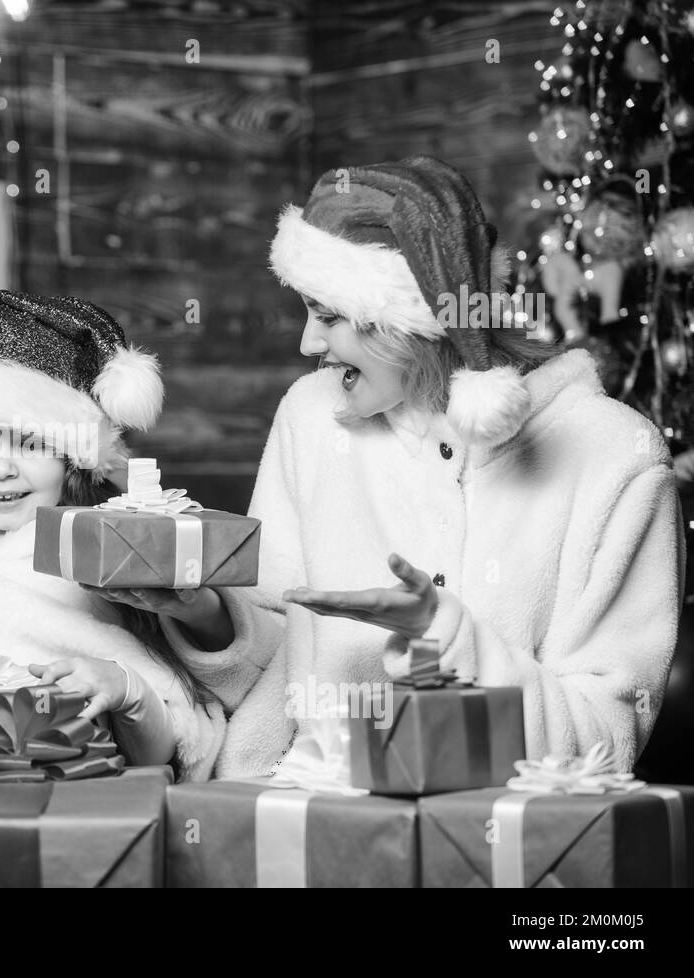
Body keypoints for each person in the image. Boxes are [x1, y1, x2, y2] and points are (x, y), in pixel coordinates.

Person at [101, 156, 682, 779]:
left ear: (415, 323)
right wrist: (207, 616)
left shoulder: (616, 459)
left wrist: (447, 638)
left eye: (329, 317)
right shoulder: (312, 416)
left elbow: (606, 738)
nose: (308, 344)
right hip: (297, 822)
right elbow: (279, 661)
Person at [0, 290, 226, 780]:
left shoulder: (104, 576)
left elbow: (173, 751)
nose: (2, 467)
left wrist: (128, 689)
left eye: (32, 444)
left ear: (74, 461)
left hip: (52, 835)